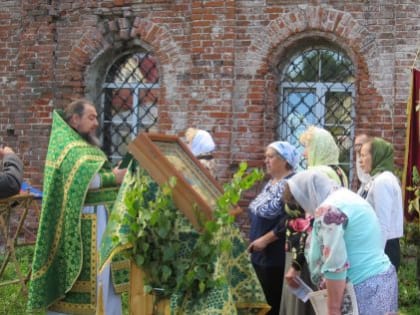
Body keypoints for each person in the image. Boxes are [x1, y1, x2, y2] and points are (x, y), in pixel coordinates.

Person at [27, 99, 128, 314]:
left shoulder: (85, 147)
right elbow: (85, 181)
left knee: (105, 278)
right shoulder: (69, 147)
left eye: (96, 118)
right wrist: (114, 178)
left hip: (100, 221)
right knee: (91, 279)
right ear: (75, 119)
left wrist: (114, 173)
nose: (96, 123)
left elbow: (96, 175)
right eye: (91, 117)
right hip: (82, 226)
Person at [283, 170, 398, 315]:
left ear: (308, 195)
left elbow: (335, 266)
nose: (305, 210)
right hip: (381, 281)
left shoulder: (329, 211)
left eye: (301, 202)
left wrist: (333, 309)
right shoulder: (346, 197)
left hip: (361, 291)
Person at [280, 126, 347, 315]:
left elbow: (311, 223)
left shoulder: (319, 175)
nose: (304, 153)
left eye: (308, 147)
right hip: (321, 252)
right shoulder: (339, 172)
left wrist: (297, 264)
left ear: (319, 147)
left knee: (303, 306)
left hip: (306, 254)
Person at [247, 141, 299, 315]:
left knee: (271, 304)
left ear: (285, 160)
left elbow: (290, 220)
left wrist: (265, 239)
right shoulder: (271, 183)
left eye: (271, 157)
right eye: (265, 157)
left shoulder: (291, 184)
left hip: (274, 255)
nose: (266, 161)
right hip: (260, 254)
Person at [358, 137, 404, 271]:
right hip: (378, 246)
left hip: (383, 248)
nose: (360, 161)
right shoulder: (374, 179)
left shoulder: (383, 181)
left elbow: (382, 223)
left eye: (363, 155)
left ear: (376, 156)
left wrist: (375, 258)